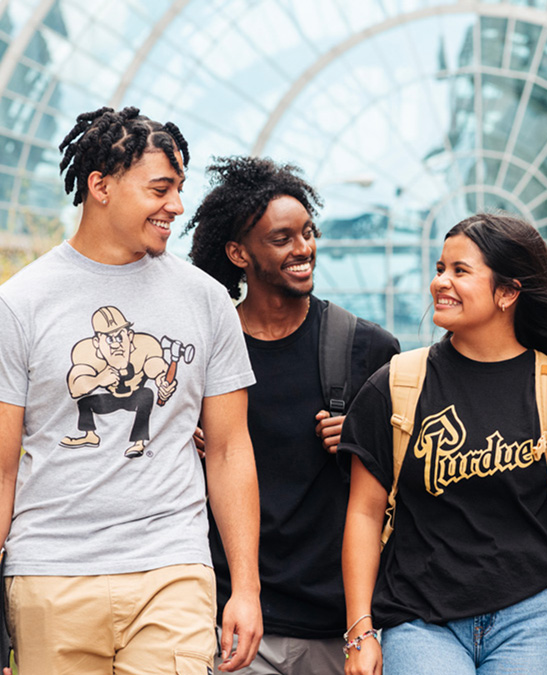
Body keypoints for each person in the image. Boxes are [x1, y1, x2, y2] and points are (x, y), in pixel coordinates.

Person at [0, 106, 262, 674]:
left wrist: (245, 586)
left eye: (179, 189)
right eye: (160, 189)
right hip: (51, 576)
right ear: (100, 186)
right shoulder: (19, 305)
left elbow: (228, 450)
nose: (176, 206)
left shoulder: (206, 301)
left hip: (171, 569)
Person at [339, 213, 547, 675]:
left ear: (508, 292)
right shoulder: (396, 386)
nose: (440, 283)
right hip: (418, 618)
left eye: (460, 270)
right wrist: (360, 629)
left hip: (530, 617)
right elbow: (364, 513)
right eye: (439, 269)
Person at [184, 156, 399, 674]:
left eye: (308, 232)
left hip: (338, 627)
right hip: (229, 620)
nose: (303, 248)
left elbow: (413, 478)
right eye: (282, 238)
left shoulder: (366, 348)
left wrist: (364, 442)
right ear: (239, 253)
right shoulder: (200, 349)